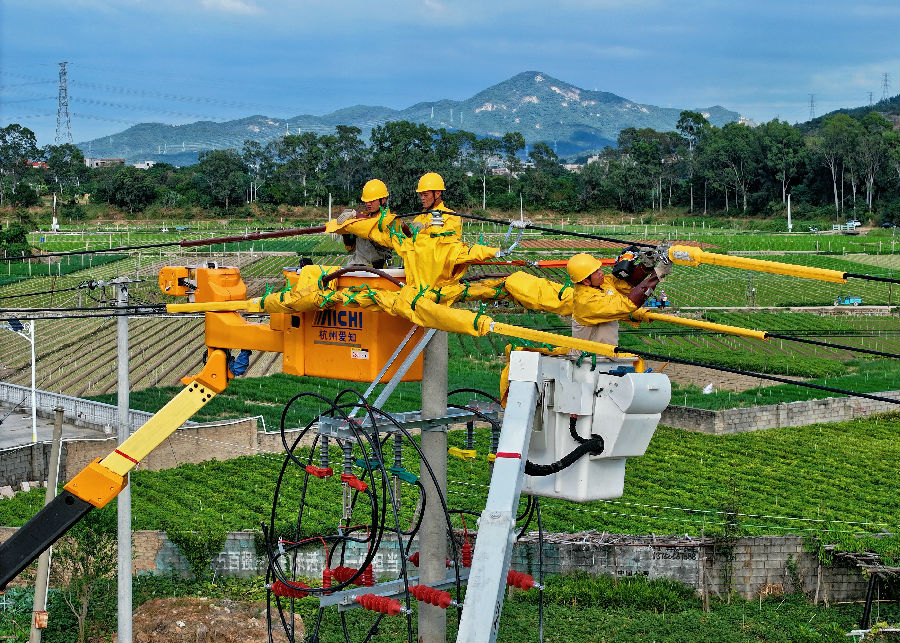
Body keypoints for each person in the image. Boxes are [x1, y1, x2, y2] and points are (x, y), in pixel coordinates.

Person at [566, 252, 670, 349]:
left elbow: (625, 284)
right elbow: (627, 304)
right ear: (586, 281)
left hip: (606, 354)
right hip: (589, 359)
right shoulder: (587, 301)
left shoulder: (600, 283)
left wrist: (645, 266)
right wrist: (657, 274)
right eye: (596, 272)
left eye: (599, 269)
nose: (601, 273)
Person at [336, 179, 394, 268]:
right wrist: (345, 230)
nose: (368, 204)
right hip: (357, 264)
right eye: (366, 201)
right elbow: (350, 248)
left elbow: (374, 224)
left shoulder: (389, 220)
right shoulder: (360, 219)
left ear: (383, 200)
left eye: (372, 201)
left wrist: (357, 216)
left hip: (379, 267)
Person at [412, 172, 462, 239]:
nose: (422, 198)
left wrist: (425, 231)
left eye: (425, 195)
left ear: (437, 194)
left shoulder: (452, 217)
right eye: (421, 195)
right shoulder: (419, 218)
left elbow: (448, 242)